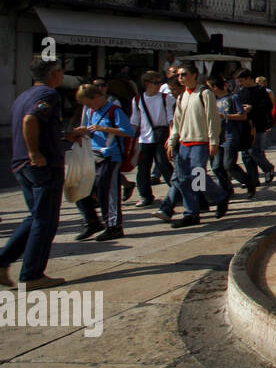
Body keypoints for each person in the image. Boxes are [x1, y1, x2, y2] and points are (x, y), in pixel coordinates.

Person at [1, 58, 90, 289]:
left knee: (35, 216)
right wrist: (35, 152)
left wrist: (64, 136)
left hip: (22, 164)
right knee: (46, 220)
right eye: (61, 72)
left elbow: (37, 125)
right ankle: (32, 274)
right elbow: (30, 120)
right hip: (42, 166)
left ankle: (3, 261)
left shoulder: (23, 95)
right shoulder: (49, 95)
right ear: (54, 74)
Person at [166, 63, 227, 227]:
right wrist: (172, 141)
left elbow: (212, 119)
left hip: (200, 141)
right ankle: (191, 213)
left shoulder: (205, 93)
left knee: (197, 175)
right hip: (184, 142)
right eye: (179, 75)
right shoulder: (181, 96)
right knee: (184, 179)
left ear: (194, 75)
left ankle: (219, 196)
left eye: (184, 74)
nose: (181, 78)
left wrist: (213, 140)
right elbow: (177, 122)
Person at [73, 82, 135, 242]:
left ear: (97, 97)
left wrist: (104, 129)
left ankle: (113, 226)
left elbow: (128, 131)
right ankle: (92, 221)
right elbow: (90, 130)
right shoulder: (92, 111)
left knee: (107, 191)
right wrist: (82, 131)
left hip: (110, 156)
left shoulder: (115, 111)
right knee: (80, 189)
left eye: (89, 103)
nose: (88, 107)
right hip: (93, 154)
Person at [130, 71, 174, 208]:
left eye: (160, 82)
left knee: (164, 165)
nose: (159, 86)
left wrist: (172, 137)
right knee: (143, 169)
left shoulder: (166, 98)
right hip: (144, 138)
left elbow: (171, 119)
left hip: (161, 137)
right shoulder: (137, 100)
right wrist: (130, 140)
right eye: (156, 83)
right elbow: (135, 120)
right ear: (147, 84)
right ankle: (145, 196)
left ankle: (176, 191)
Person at [210, 74, 254, 200]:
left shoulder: (233, 98)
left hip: (230, 136)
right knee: (217, 166)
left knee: (229, 165)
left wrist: (225, 116)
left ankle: (247, 181)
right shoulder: (212, 100)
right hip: (217, 137)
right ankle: (226, 190)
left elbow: (243, 116)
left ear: (215, 87)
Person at [235, 69, 276, 189]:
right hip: (244, 126)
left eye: (242, 80)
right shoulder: (240, 92)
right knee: (246, 154)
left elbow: (268, 106)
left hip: (258, 125)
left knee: (254, 151)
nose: (240, 83)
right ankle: (253, 179)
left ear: (248, 78)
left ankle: (268, 168)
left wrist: (252, 108)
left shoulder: (260, 91)